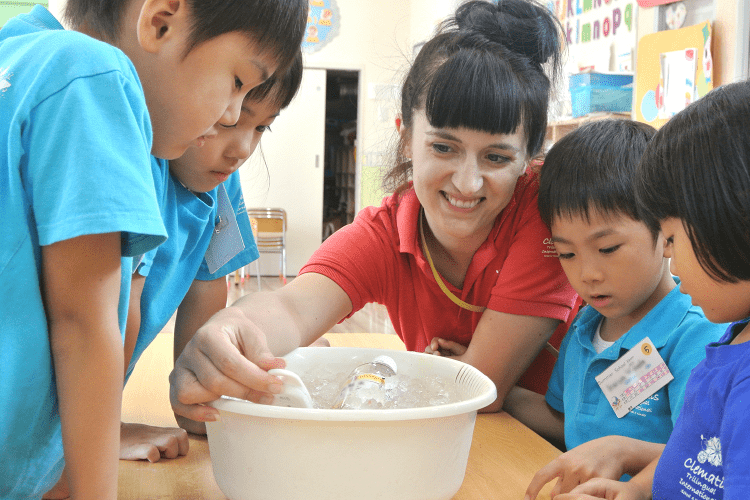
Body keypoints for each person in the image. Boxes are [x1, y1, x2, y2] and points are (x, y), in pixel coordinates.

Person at [169, 0, 581, 424]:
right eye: (443, 147)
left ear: (529, 158)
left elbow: (479, 386)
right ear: (406, 138)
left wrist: (479, 378)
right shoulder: (387, 232)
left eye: (496, 157)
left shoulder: (545, 214)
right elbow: (292, 307)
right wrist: (232, 330)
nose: (466, 183)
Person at [0, 1, 306, 499]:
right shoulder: (95, 74)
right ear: (159, 21)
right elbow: (86, 324)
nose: (231, 120)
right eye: (235, 83)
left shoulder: (22, 51)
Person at [500, 120, 727, 500]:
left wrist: (624, 455)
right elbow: (568, 423)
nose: (588, 274)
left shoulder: (695, 335)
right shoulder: (584, 327)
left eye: (607, 249)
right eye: (567, 254)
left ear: (664, 230)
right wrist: (491, 384)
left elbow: (709, 457)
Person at [553, 81, 750, 500]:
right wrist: (638, 489)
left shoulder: (708, 339)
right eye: (566, 253)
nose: (673, 263)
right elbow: (693, 463)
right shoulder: (733, 343)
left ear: (729, 218)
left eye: (674, 239)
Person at [121, 53, 304, 459]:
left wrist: (264, 378)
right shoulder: (137, 162)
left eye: (261, 127)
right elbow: (95, 321)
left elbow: (198, 382)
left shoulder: (222, 187)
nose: (242, 149)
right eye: (226, 121)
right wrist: (94, 435)